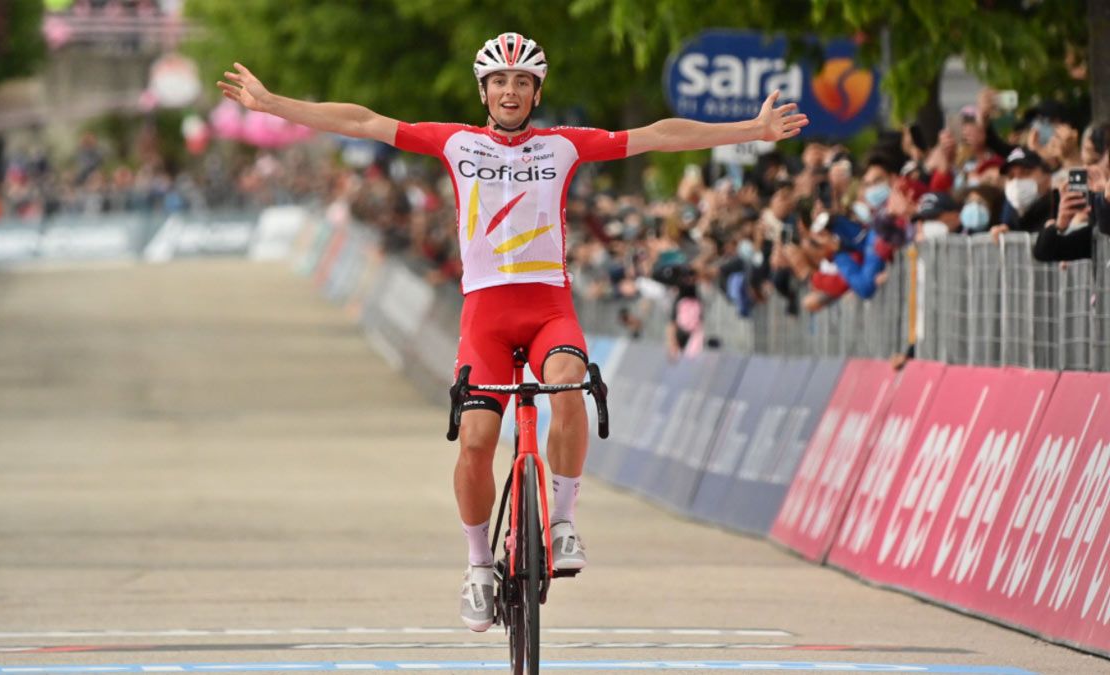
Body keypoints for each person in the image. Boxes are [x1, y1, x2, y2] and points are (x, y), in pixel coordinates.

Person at [217, 32, 807, 632]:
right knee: (475, 441)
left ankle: (564, 520)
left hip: (549, 308)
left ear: (535, 91)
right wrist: (277, 105)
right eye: (499, 81)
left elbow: (656, 135)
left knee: (570, 382)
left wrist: (748, 130)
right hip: (486, 318)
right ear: (484, 90)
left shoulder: (562, 147)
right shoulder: (455, 141)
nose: (510, 90)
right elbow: (365, 121)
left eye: (521, 82)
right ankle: (477, 565)